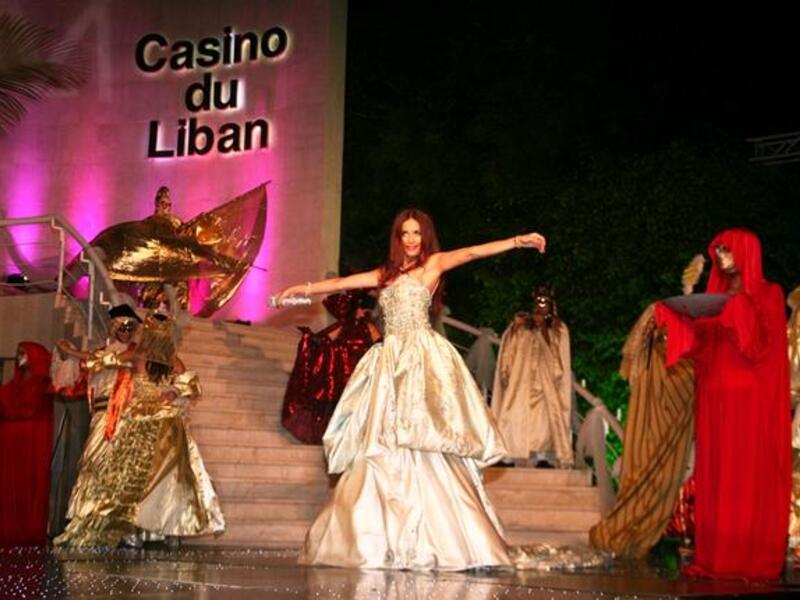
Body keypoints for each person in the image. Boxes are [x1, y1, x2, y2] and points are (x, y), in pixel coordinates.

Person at [276, 208, 546, 570]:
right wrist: (300, 289)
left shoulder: (433, 264)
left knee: (423, 436)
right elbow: (342, 283)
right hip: (388, 361)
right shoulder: (385, 275)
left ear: (425, 236)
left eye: (417, 232)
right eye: (405, 233)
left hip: (419, 359)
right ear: (398, 238)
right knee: (379, 442)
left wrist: (516, 241)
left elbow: (471, 252)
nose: (411, 239)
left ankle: (440, 538)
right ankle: (379, 537)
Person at [655, 228, 792, 579]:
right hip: (715, 396)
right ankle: (716, 556)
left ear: (748, 252)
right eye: (718, 251)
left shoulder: (769, 293)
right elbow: (699, 347)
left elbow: (763, 347)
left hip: (750, 399)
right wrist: (684, 309)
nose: (722, 258)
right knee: (717, 473)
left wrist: (735, 307)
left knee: (745, 472)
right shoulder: (715, 297)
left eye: (728, 250)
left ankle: (748, 557)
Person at [55, 312, 224, 547]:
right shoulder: (144, 356)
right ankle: (139, 529)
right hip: (142, 420)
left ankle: (157, 529)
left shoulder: (165, 359)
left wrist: (173, 391)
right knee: (138, 477)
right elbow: (101, 359)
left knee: (158, 479)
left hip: (159, 421)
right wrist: (72, 353)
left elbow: (190, 383)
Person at [281, 288, 382, 444]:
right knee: (342, 406)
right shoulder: (345, 326)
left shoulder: (369, 328)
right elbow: (324, 341)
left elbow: (380, 346)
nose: (363, 312)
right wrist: (309, 339)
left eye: (364, 309)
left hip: (361, 374)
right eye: (361, 308)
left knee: (358, 407)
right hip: (344, 374)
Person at [492, 284, 573, 468]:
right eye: (538, 301)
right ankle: (509, 456)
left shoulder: (558, 328)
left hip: (545, 383)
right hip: (521, 381)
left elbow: (559, 359)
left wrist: (543, 328)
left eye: (545, 301)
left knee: (543, 422)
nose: (541, 304)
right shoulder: (524, 325)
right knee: (513, 414)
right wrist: (515, 328)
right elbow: (509, 351)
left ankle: (542, 456)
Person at [0, 342, 53, 546]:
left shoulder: (42, 385)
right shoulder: (12, 386)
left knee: (28, 486)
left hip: (30, 445)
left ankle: (28, 530)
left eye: (24, 353)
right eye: (18, 352)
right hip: (9, 445)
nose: (19, 356)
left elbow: (28, 409)